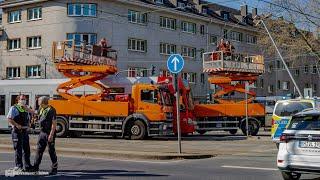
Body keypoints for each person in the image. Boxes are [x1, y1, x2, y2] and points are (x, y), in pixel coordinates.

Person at [7, 95, 33, 172]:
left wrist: (29, 125)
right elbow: (9, 118)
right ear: (18, 100)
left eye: (25, 99)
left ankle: (27, 166)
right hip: (17, 132)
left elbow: (29, 117)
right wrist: (17, 125)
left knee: (27, 150)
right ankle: (19, 166)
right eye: (22, 99)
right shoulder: (14, 108)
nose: (24, 100)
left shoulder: (26, 108)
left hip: (25, 132)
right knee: (18, 150)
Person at [33, 96, 58, 175]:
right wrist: (26, 109)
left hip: (49, 133)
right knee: (39, 150)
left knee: (51, 151)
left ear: (42, 102)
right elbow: (35, 112)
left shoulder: (51, 110)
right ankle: (36, 167)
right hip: (42, 133)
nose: (37, 102)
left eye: (39, 101)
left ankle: (54, 168)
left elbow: (54, 124)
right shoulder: (41, 108)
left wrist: (51, 135)